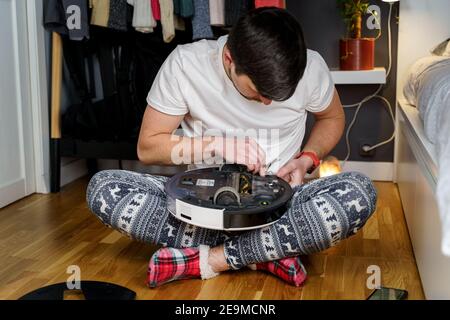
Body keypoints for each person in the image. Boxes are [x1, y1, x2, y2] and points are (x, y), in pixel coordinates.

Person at [86, 7, 377, 287]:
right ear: (228, 58)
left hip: (282, 206)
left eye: (278, 95)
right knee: (102, 187)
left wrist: (307, 159)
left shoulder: (311, 67)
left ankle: (212, 259)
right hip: (199, 208)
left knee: (360, 191)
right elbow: (147, 148)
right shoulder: (186, 63)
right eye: (259, 91)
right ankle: (268, 251)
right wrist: (217, 144)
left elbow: (332, 117)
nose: (268, 102)